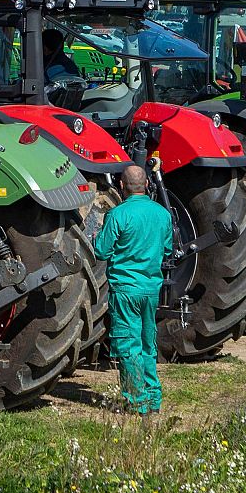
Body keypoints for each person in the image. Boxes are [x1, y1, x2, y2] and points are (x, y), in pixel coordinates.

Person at [93, 164, 173, 415]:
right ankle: (153, 398)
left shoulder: (118, 215)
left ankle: (135, 401)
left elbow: (101, 251)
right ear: (148, 184)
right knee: (148, 343)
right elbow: (167, 251)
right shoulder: (162, 214)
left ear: (121, 186)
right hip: (151, 288)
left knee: (128, 345)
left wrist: (98, 235)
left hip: (126, 289)